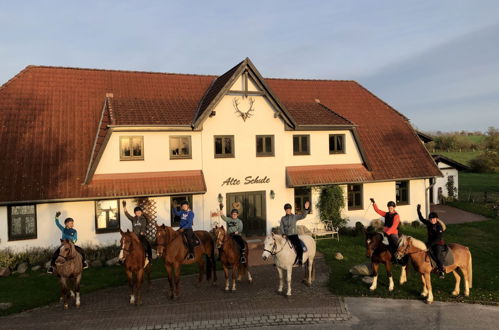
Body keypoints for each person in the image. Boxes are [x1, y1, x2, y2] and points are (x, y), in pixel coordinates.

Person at [417, 204, 446, 278]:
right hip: (430, 242)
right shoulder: (429, 223)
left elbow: (438, 238)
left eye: (434, 219)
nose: (432, 220)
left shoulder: (438, 226)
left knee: (437, 255)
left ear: (436, 219)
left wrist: (430, 245)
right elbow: (421, 219)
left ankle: (441, 270)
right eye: (431, 219)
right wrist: (418, 210)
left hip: (438, 243)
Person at [280, 201, 310, 266]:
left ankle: (300, 260)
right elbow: (281, 226)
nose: (288, 210)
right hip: (286, 236)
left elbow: (303, 216)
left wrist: (306, 209)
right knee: (279, 247)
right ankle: (280, 261)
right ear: (285, 210)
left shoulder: (294, 217)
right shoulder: (283, 218)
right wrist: (283, 234)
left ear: (291, 210)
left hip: (293, 235)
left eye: (289, 209)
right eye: (286, 210)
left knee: (299, 247)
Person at [122, 201, 153, 267]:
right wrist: (124, 207)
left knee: (147, 245)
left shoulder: (143, 219)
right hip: (134, 236)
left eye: (139, 212)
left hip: (141, 236)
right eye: (136, 212)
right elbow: (127, 215)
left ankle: (149, 258)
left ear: (141, 212)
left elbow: (143, 226)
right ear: (135, 213)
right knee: (126, 244)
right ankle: (124, 258)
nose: (138, 213)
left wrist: (142, 232)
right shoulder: (133, 219)